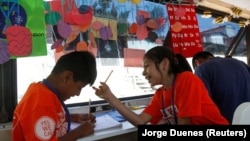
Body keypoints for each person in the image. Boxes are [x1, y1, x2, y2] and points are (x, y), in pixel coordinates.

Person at [93, 46, 228, 125]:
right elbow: (140, 121)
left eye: (147, 66)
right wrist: (109, 97)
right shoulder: (160, 95)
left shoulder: (187, 80)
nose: (143, 73)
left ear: (164, 64)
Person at [12, 51, 97, 141]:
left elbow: (49, 117)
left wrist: (72, 117)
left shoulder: (44, 92)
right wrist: (79, 131)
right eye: (79, 87)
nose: (77, 94)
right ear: (67, 77)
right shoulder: (41, 101)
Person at [193, 51, 250, 123]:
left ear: (197, 62)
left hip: (225, 121)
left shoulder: (202, 69)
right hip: (247, 117)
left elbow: (202, 103)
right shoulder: (240, 63)